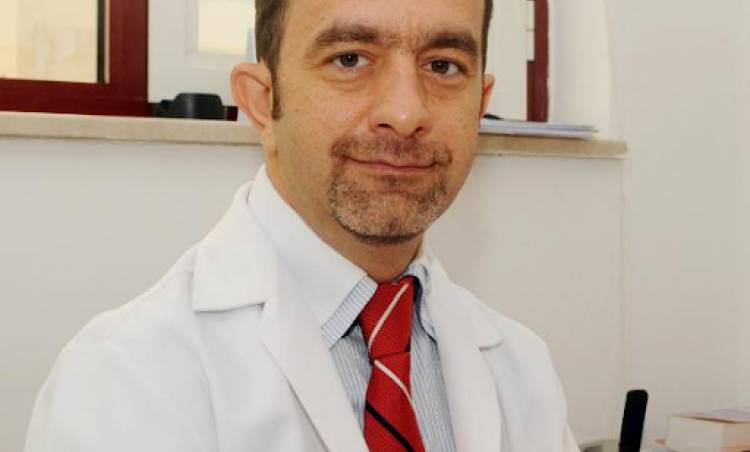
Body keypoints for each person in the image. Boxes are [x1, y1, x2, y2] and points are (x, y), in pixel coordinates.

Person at [25, 0, 579, 450]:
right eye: (350, 59)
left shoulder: (522, 368)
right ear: (262, 103)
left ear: (480, 104)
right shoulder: (124, 379)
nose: (406, 113)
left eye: (443, 66)